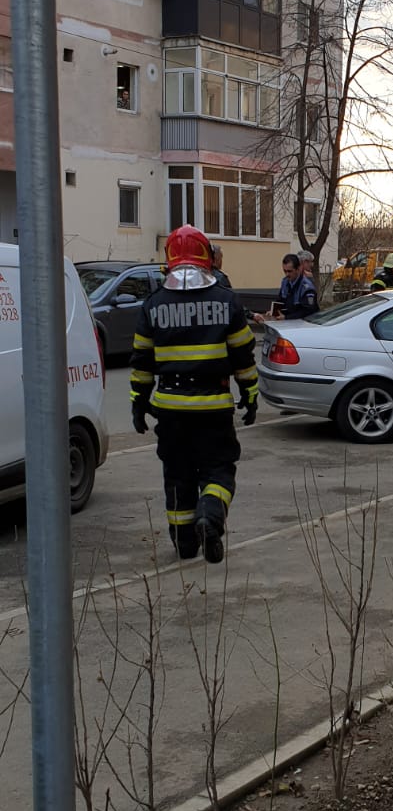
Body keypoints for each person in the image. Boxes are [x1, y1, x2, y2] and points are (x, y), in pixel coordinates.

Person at [128, 226, 258, 565]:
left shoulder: (153, 305)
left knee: (178, 475)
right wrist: (251, 394)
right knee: (218, 470)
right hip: (213, 407)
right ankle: (210, 517)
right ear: (208, 258)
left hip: (169, 410)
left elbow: (142, 361)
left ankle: (185, 544)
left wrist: (138, 403)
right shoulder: (227, 301)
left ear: (169, 259)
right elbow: (243, 356)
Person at [276, 253, 319, 318]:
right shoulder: (285, 282)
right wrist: (274, 312)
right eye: (285, 271)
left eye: (290, 271)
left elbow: (309, 310)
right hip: (289, 322)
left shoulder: (307, 287)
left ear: (298, 269)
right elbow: (280, 301)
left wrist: (286, 317)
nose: (287, 274)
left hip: (306, 323)